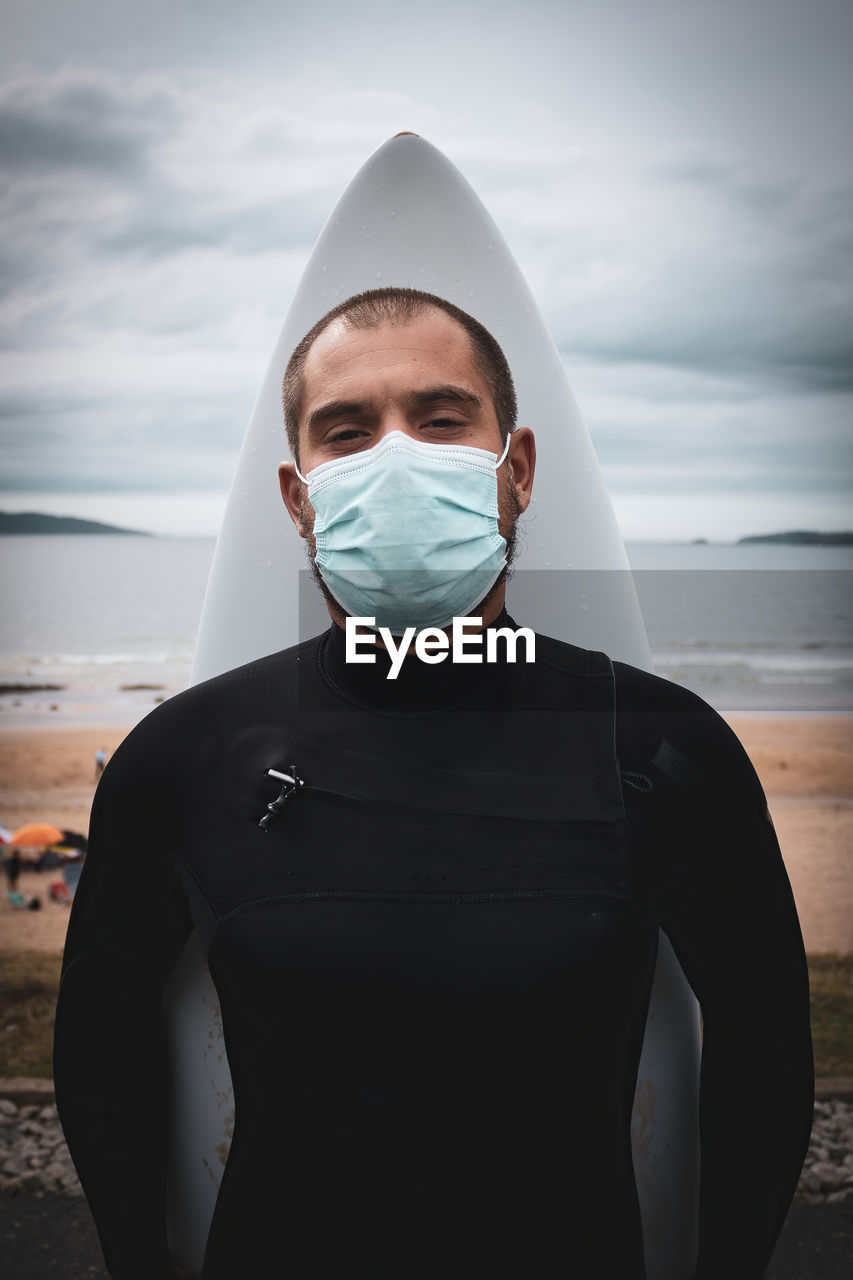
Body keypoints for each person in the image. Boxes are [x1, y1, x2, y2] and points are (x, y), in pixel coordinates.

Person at [54, 288, 813, 1279]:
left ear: (519, 467)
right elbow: (102, 1045)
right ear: (298, 496)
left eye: (441, 416)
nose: (396, 455)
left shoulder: (667, 746)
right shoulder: (183, 756)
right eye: (348, 430)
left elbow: (765, 1047)